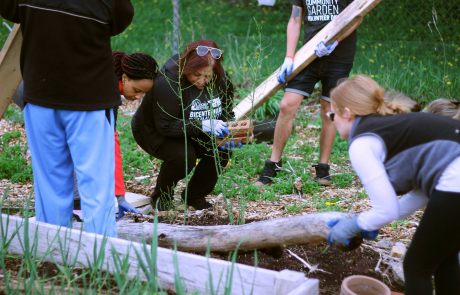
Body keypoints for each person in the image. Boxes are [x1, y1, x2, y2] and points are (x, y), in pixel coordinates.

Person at [0, 1, 134, 237]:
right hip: (89, 101)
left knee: (51, 185)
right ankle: (99, 260)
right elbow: (121, 19)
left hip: (42, 97)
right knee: (96, 186)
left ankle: (53, 255)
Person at [326, 75, 460, 295]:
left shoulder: (362, 142)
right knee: (444, 259)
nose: (332, 120)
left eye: (332, 114)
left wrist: (356, 224)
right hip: (454, 181)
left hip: (455, 180)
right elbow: (424, 193)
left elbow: (386, 209)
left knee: (416, 267)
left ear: (347, 113)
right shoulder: (392, 129)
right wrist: (367, 221)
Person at [256, 0, 361, 186]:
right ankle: (273, 164)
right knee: (287, 105)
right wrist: (289, 57)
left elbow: (357, 17)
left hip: (339, 58)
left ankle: (323, 168)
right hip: (308, 55)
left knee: (328, 110)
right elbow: (295, 20)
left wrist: (335, 41)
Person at [132, 40, 236, 210]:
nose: (202, 81)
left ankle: (194, 196)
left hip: (194, 129)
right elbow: (165, 126)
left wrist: (229, 131)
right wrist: (203, 125)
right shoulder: (168, 82)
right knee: (184, 156)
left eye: (207, 76)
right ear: (187, 67)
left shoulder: (220, 79)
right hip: (154, 131)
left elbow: (226, 111)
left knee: (222, 150)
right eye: (196, 75)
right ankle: (161, 197)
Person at [73, 51, 159, 220]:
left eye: (143, 94)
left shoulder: (109, 87)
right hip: (38, 95)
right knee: (82, 148)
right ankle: (76, 205)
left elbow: (110, 142)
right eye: (137, 90)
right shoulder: (104, 91)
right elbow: (108, 144)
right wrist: (119, 196)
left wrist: (119, 195)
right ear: (125, 78)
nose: (138, 97)